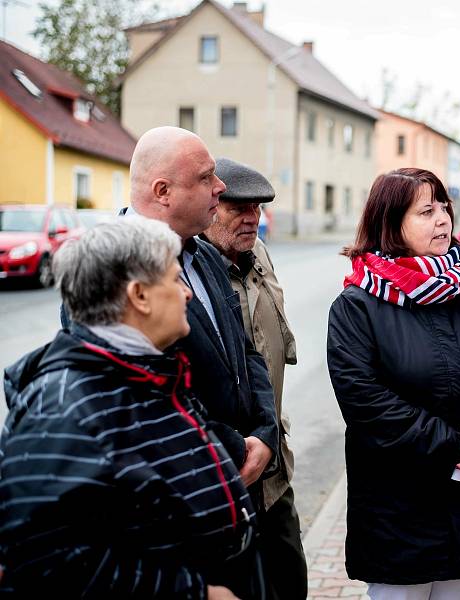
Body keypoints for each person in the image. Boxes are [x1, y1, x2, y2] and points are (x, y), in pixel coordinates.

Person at [0, 217, 250, 599]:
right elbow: (48, 563)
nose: (187, 294)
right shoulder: (62, 407)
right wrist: (195, 593)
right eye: (174, 279)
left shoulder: (144, 370)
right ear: (140, 296)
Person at [327, 168, 460, 599]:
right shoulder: (356, 306)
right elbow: (366, 403)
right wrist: (457, 447)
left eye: (444, 208)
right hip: (400, 514)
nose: (443, 220)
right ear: (391, 223)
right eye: (425, 211)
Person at [125, 126, 281, 598]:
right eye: (207, 177)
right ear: (163, 191)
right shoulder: (115, 270)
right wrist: (234, 448)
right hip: (183, 501)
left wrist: (267, 434)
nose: (220, 188)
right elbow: (144, 398)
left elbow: (248, 352)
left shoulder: (205, 256)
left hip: (243, 485)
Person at [203, 157, 307, 600]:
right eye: (238, 208)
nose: (252, 219)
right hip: (229, 468)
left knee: (291, 580)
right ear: (211, 207)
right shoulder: (195, 274)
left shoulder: (258, 255)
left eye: (258, 209)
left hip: (274, 464)